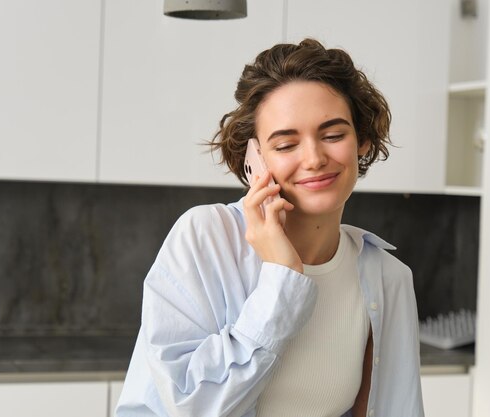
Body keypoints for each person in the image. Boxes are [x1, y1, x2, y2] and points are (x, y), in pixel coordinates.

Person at [116, 38, 424, 417]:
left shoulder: (387, 277)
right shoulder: (206, 237)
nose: (314, 158)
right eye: (285, 144)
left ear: (361, 141)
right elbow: (191, 407)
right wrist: (282, 279)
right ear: (254, 158)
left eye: (333, 135)